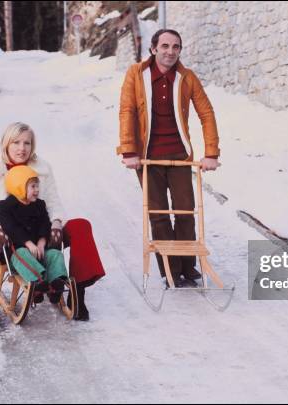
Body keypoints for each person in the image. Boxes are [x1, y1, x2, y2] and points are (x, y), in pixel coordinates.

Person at [0, 122, 105, 329]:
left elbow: (54, 204)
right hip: (8, 238)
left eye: (27, 143)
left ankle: (77, 293)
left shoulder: (42, 170)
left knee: (81, 226)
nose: (22, 148)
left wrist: (56, 224)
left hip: (42, 231)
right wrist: (0, 230)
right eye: (16, 143)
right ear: (6, 144)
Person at [117, 29, 220, 288]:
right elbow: (127, 110)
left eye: (176, 47)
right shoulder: (136, 74)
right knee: (159, 213)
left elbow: (206, 113)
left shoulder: (186, 77)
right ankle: (170, 269)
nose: (170, 51)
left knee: (186, 210)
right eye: (164, 46)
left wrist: (211, 153)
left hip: (179, 154)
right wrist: (129, 151)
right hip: (147, 157)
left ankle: (188, 265)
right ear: (153, 49)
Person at [0, 165, 68, 304]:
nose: (37, 190)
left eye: (37, 186)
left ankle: (56, 282)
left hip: (40, 251)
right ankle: (38, 283)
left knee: (55, 254)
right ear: (19, 187)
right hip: (19, 254)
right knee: (22, 253)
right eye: (33, 186)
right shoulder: (6, 206)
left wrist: (42, 242)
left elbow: (44, 224)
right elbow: (11, 228)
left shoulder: (39, 205)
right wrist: (28, 243)